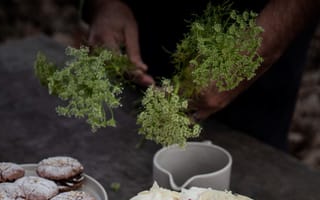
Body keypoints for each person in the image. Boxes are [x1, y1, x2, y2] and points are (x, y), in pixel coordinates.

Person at [82, 0, 320, 151]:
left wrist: (250, 54)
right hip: (142, 35)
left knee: (248, 180)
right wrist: (104, 3)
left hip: (255, 43)